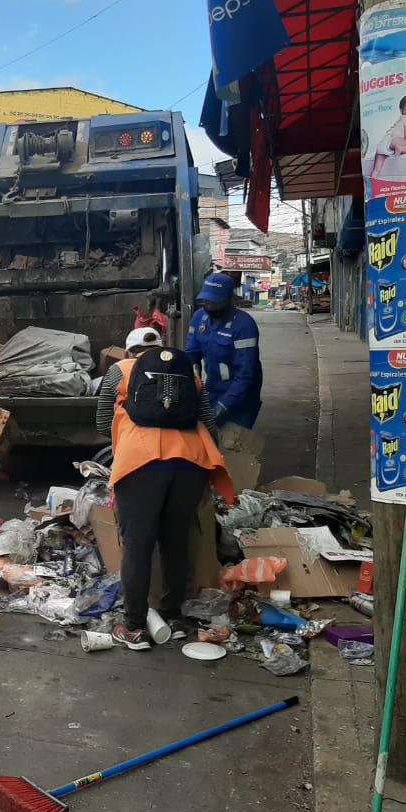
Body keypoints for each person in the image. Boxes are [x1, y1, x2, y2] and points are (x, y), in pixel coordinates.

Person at [95, 337, 234, 651]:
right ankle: (173, 617)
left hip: (140, 464)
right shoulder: (189, 373)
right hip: (190, 464)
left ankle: (133, 627)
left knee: (138, 545)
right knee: (175, 540)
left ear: (132, 352)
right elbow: (209, 425)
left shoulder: (120, 369)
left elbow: (103, 423)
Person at [185, 273, 263, 430]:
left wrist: (223, 405)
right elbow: (191, 353)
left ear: (229, 298)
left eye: (214, 301)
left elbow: (246, 373)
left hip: (242, 394)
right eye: (206, 299)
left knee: (233, 445)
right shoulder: (199, 318)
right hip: (213, 387)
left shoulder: (243, 325)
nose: (208, 304)